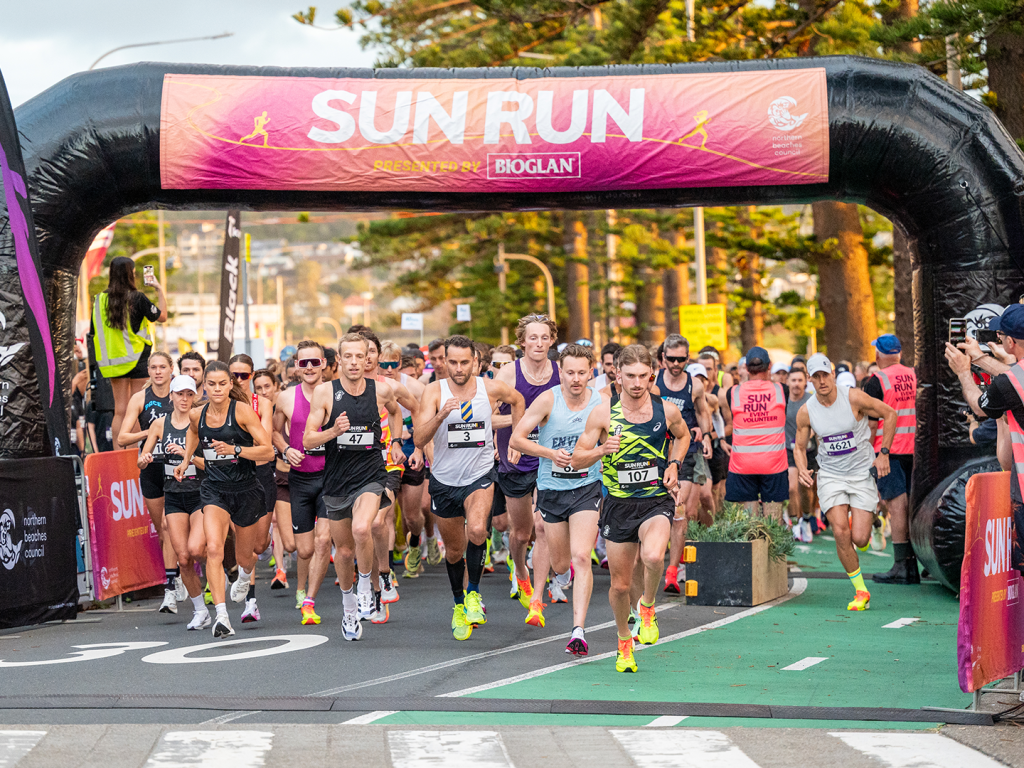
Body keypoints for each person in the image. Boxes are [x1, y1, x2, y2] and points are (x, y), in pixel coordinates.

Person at [573, 344, 690, 673]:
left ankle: (649, 607)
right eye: (630, 376)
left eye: (643, 376)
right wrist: (600, 451)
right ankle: (624, 640)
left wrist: (675, 464)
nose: (637, 383)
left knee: (653, 556)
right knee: (620, 585)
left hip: (655, 498)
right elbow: (577, 458)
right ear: (617, 376)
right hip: (618, 504)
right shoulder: (602, 414)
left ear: (652, 375)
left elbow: (682, 437)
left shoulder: (665, 411)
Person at [414, 335, 525, 641]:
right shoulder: (434, 392)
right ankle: (459, 603)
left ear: (476, 361)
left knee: (477, 530)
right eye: (453, 362)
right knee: (453, 551)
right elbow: (419, 439)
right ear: (443, 361)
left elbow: (518, 401)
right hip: (445, 480)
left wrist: (515, 440)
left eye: (465, 362)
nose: (459, 368)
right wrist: (440, 415)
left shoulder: (490, 388)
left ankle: (474, 593)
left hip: (479, 475)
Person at [304, 333, 403, 640]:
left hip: (371, 476)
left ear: (367, 358)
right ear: (340, 360)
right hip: (336, 482)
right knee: (344, 552)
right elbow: (308, 440)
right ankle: (349, 608)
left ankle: (365, 588)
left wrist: (396, 442)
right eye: (348, 356)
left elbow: (398, 412)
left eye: (360, 356)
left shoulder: (380, 390)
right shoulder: (324, 393)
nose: (355, 362)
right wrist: (333, 430)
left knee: (364, 528)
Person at [510, 343, 602, 652]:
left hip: (587, 487)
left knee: (581, 556)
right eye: (570, 372)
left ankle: (578, 630)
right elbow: (517, 438)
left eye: (582, 373)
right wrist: (550, 453)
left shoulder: (602, 403)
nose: (576, 379)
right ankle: (557, 577)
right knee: (562, 563)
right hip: (551, 488)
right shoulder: (548, 399)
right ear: (560, 372)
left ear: (592, 372)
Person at [175, 361, 275, 638]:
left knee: (247, 556)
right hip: (214, 489)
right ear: (203, 387)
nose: (217, 389)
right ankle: (221, 616)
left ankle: (244, 576)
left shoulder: (242, 411)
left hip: (246, 490)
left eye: (222, 383)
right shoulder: (197, 415)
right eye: (211, 384)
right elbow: (192, 433)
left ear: (231, 385)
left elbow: (267, 451)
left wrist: (235, 449)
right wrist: (185, 461)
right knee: (215, 549)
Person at [794, 354, 897, 611]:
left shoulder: (853, 397)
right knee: (841, 532)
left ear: (832, 374)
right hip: (830, 475)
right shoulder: (806, 411)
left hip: (861, 473)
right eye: (815, 377)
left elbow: (890, 413)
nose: (821, 381)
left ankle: (874, 522)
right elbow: (798, 446)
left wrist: (883, 453)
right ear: (810, 381)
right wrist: (801, 468)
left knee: (860, 539)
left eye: (824, 375)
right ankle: (861, 590)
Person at [947, 304, 1024, 577]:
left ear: (1010, 341)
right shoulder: (1013, 376)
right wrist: (984, 359)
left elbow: (981, 407)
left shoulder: (1011, 382)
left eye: (1001, 335)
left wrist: (964, 372)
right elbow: (1013, 376)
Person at [493, 314, 561, 611]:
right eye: (533, 337)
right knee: (521, 532)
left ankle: (538, 596)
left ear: (552, 340)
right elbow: (489, 417)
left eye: (544, 337)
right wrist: (521, 422)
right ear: (521, 342)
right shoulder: (508, 374)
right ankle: (520, 569)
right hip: (516, 459)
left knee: (543, 526)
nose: (539, 343)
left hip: (549, 459)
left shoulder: (560, 372)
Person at [138, 374, 208, 629]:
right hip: (174, 495)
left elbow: (211, 464)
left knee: (197, 550)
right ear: (172, 396)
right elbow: (142, 457)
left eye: (189, 394)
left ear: (195, 397)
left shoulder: (203, 422)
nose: (185, 399)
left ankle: (219, 568)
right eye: (180, 394)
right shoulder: (159, 424)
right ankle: (200, 610)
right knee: (183, 557)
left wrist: (187, 457)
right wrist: (144, 460)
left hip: (200, 493)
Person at [272, 341, 332, 624]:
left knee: (323, 541)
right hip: (300, 478)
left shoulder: (336, 394)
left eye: (315, 362)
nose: (309, 368)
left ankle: (310, 598)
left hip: (331, 478)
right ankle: (300, 589)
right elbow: (273, 431)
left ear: (324, 365)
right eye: (303, 362)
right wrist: (285, 449)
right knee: (304, 549)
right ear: (296, 366)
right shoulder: (285, 398)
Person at [118, 351, 180, 610]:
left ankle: (172, 585)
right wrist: (152, 431)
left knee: (170, 526)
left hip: (178, 469)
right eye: (153, 367)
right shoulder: (140, 398)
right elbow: (122, 438)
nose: (157, 372)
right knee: (164, 532)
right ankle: (175, 579)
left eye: (162, 367)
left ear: (170, 369)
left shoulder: (181, 394)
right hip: (151, 467)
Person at [655, 335, 712, 594]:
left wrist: (706, 434)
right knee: (660, 512)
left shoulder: (695, 384)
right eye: (671, 359)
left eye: (681, 359)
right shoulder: (652, 382)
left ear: (687, 359)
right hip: (656, 453)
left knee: (680, 513)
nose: (676, 364)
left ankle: (672, 572)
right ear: (663, 357)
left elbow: (702, 411)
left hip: (686, 451)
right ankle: (653, 560)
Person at [92, 256, 167, 445]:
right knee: (136, 409)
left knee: (120, 410)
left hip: (112, 363)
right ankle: (134, 454)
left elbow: (94, 332)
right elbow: (162, 316)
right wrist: (158, 289)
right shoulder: (137, 297)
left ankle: (118, 456)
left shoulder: (99, 300)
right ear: (130, 274)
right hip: (137, 358)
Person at [862, 334, 919, 585]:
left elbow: (872, 426)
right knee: (911, 505)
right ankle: (914, 563)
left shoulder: (876, 381)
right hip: (915, 450)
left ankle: (901, 566)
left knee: (897, 507)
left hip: (889, 452)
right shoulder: (915, 375)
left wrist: (869, 454)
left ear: (878, 355)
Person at [229, 354, 277, 607]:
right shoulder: (221, 404)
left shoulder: (263, 404)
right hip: (234, 475)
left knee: (259, 545)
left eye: (243, 375)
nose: (238, 380)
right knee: (242, 538)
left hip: (260, 473)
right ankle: (250, 600)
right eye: (233, 375)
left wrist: (234, 444)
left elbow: (265, 441)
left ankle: (267, 535)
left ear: (252, 376)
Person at [378, 342, 429, 580]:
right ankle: (387, 570)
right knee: (386, 513)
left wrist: (419, 448)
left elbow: (423, 417)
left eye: (393, 364)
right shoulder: (373, 386)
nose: (388, 369)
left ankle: (416, 543)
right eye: (383, 365)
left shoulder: (414, 387)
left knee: (411, 515)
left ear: (400, 363)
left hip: (409, 448)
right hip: (384, 451)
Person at [719, 346, 788, 519]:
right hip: (774, 464)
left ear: (747, 368)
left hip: (743, 465)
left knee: (750, 524)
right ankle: (773, 547)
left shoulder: (733, 393)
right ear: (769, 366)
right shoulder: (781, 390)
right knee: (773, 523)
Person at [785, 367, 818, 543]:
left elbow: (818, 424)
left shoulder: (811, 400)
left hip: (808, 449)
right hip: (788, 448)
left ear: (805, 382)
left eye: (800, 380)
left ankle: (806, 518)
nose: (796, 384)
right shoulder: (783, 399)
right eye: (793, 380)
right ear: (788, 382)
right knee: (791, 487)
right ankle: (795, 523)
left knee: (806, 489)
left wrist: (807, 436)